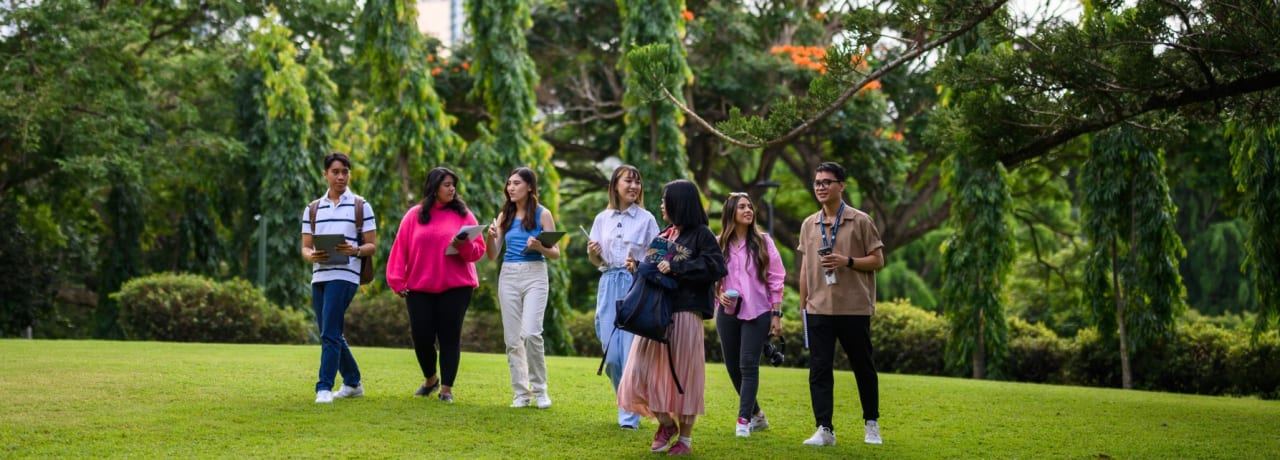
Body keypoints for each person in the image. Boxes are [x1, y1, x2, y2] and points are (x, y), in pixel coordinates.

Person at [617, 180, 727, 456]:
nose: (662, 204)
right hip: (656, 314)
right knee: (639, 373)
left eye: (666, 199)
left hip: (685, 314)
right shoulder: (665, 234)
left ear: (681, 202)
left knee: (683, 377)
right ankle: (666, 424)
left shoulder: (702, 235)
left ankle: (685, 440)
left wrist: (678, 264)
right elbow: (656, 272)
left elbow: (716, 266)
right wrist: (638, 268)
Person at [797, 162, 886, 446]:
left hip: (853, 307)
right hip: (818, 309)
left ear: (841, 186)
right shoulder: (809, 224)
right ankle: (824, 429)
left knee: (863, 366)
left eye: (827, 182)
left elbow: (878, 260)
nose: (821, 187)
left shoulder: (860, 220)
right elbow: (805, 269)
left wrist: (847, 261)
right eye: (817, 183)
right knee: (819, 370)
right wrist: (803, 306)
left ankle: (871, 423)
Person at [386, 167, 486, 403]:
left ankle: (447, 390)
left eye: (453, 185)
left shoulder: (464, 215)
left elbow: (477, 251)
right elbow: (400, 249)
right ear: (434, 187)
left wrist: (461, 245)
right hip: (419, 287)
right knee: (421, 338)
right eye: (447, 184)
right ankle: (431, 379)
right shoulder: (414, 215)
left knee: (450, 337)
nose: (452, 189)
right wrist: (397, 281)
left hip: (456, 287)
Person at [587, 165, 660, 430]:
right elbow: (595, 260)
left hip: (635, 284)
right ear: (615, 185)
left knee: (631, 355)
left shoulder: (647, 219)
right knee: (612, 355)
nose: (634, 186)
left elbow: (657, 257)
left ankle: (629, 414)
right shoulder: (601, 219)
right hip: (608, 283)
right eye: (628, 181)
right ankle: (630, 400)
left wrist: (639, 265)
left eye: (637, 182)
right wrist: (593, 252)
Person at [300, 152, 377, 404]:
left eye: (345, 171)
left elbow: (372, 246)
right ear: (325, 174)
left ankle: (323, 387)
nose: (341, 176)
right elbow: (305, 247)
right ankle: (353, 382)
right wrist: (312, 256)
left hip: (346, 275)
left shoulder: (360, 205)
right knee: (329, 331)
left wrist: (354, 250)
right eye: (335, 171)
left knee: (330, 333)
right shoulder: (313, 208)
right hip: (319, 275)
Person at [485, 167, 561, 409]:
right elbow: (493, 255)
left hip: (535, 275)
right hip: (508, 274)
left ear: (529, 187)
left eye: (516, 183)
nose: (511, 187)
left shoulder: (542, 214)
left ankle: (540, 391)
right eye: (509, 183)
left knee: (530, 333)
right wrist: (489, 237)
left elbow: (556, 253)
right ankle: (521, 393)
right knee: (512, 339)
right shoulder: (503, 215)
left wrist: (539, 246)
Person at [714, 192, 786, 437]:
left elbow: (777, 277)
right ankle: (757, 414)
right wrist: (719, 293)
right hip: (727, 312)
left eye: (750, 206)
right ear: (730, 212)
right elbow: (710, 277)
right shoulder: (718, 243)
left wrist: (776, 314)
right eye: (742, 206)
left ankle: (743, 419)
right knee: (733, 367)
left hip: (758, 311)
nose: (748, 210)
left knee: (748, 365)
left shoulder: (764, 241)